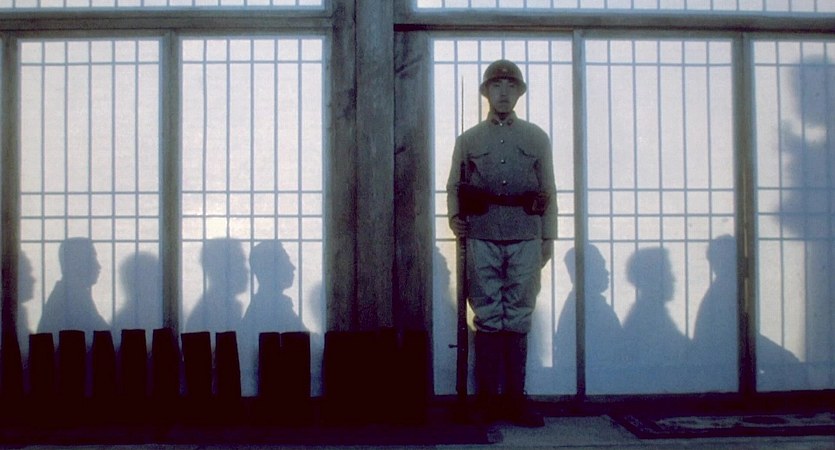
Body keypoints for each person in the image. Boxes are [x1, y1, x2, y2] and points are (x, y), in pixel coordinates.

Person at [447, 59, 557, 428]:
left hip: (526, 232)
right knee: (488, 315)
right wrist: (455, 217)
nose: (504, 93)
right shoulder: (468, 140)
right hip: (482, 232)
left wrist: (547, 236)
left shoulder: (537, 138)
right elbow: (454, 186)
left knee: (520, 313)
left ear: (520, 93)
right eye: (497, 86)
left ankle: (515, 400)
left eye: (511, 87)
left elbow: (549, 189)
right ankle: (486, 401)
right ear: (486, 93)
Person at [38, 237, 109, 336]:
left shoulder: (68, 293)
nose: (98, 266)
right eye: (92, 258)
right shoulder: (73, 298)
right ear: (76, 262)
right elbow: (102, 334)